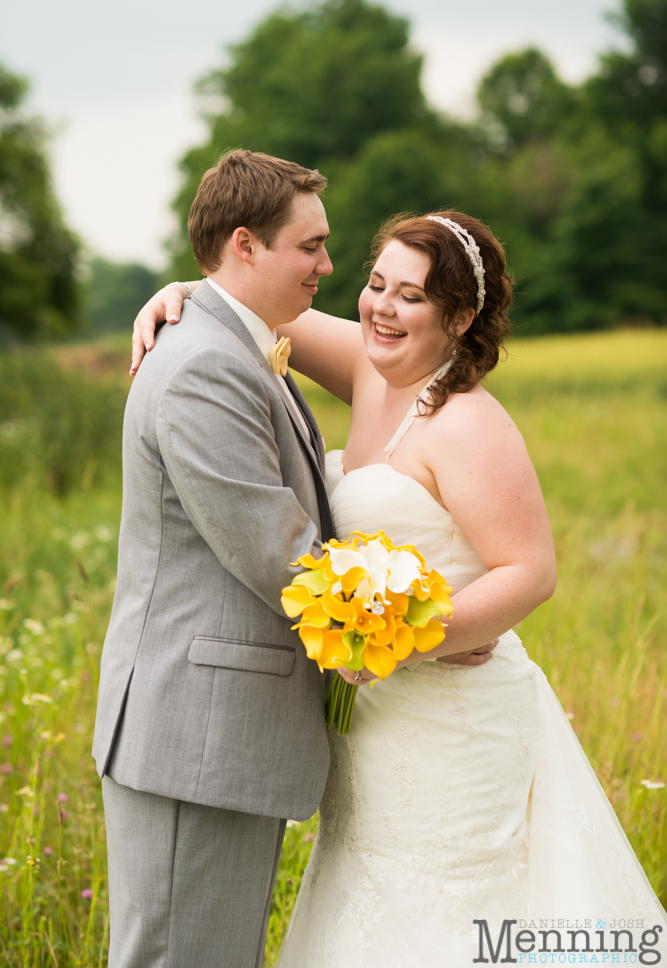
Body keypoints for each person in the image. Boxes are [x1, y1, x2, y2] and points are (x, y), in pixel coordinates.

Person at [135, 204, 667, 964]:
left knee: (448, 910)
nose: (381, 308)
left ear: (457, 316)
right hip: (374, 727)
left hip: (454, 722)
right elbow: (240, 306)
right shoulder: (366, 360)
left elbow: (531, 571)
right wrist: (176, 293)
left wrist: (403, 640)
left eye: (409, 296)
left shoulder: (466, 422)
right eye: (376, 284)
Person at [95, 150, 497, 968]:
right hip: (195, 739)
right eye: (310, 246)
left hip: (218, 736)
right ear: (245, 245)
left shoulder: (235, 339)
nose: (327, 266)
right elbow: (281, 555)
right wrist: (412, 627)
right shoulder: (205, 362)